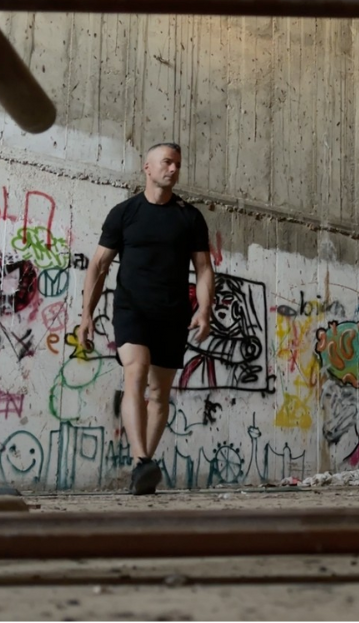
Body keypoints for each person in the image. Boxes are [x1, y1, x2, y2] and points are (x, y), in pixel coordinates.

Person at [77, 142, 214, 495]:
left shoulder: (190, 217)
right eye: (167, 162)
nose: (174, 169)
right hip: (132, 309)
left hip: (172, 314)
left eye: (177, 164)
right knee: (135, 373)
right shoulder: (124, 213)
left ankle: (143, 470)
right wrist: (86, 315)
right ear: (147, 167)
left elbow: (203, 268)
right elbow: (99, 265)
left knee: (160, 393)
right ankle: (141, 461)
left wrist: (204, 309)